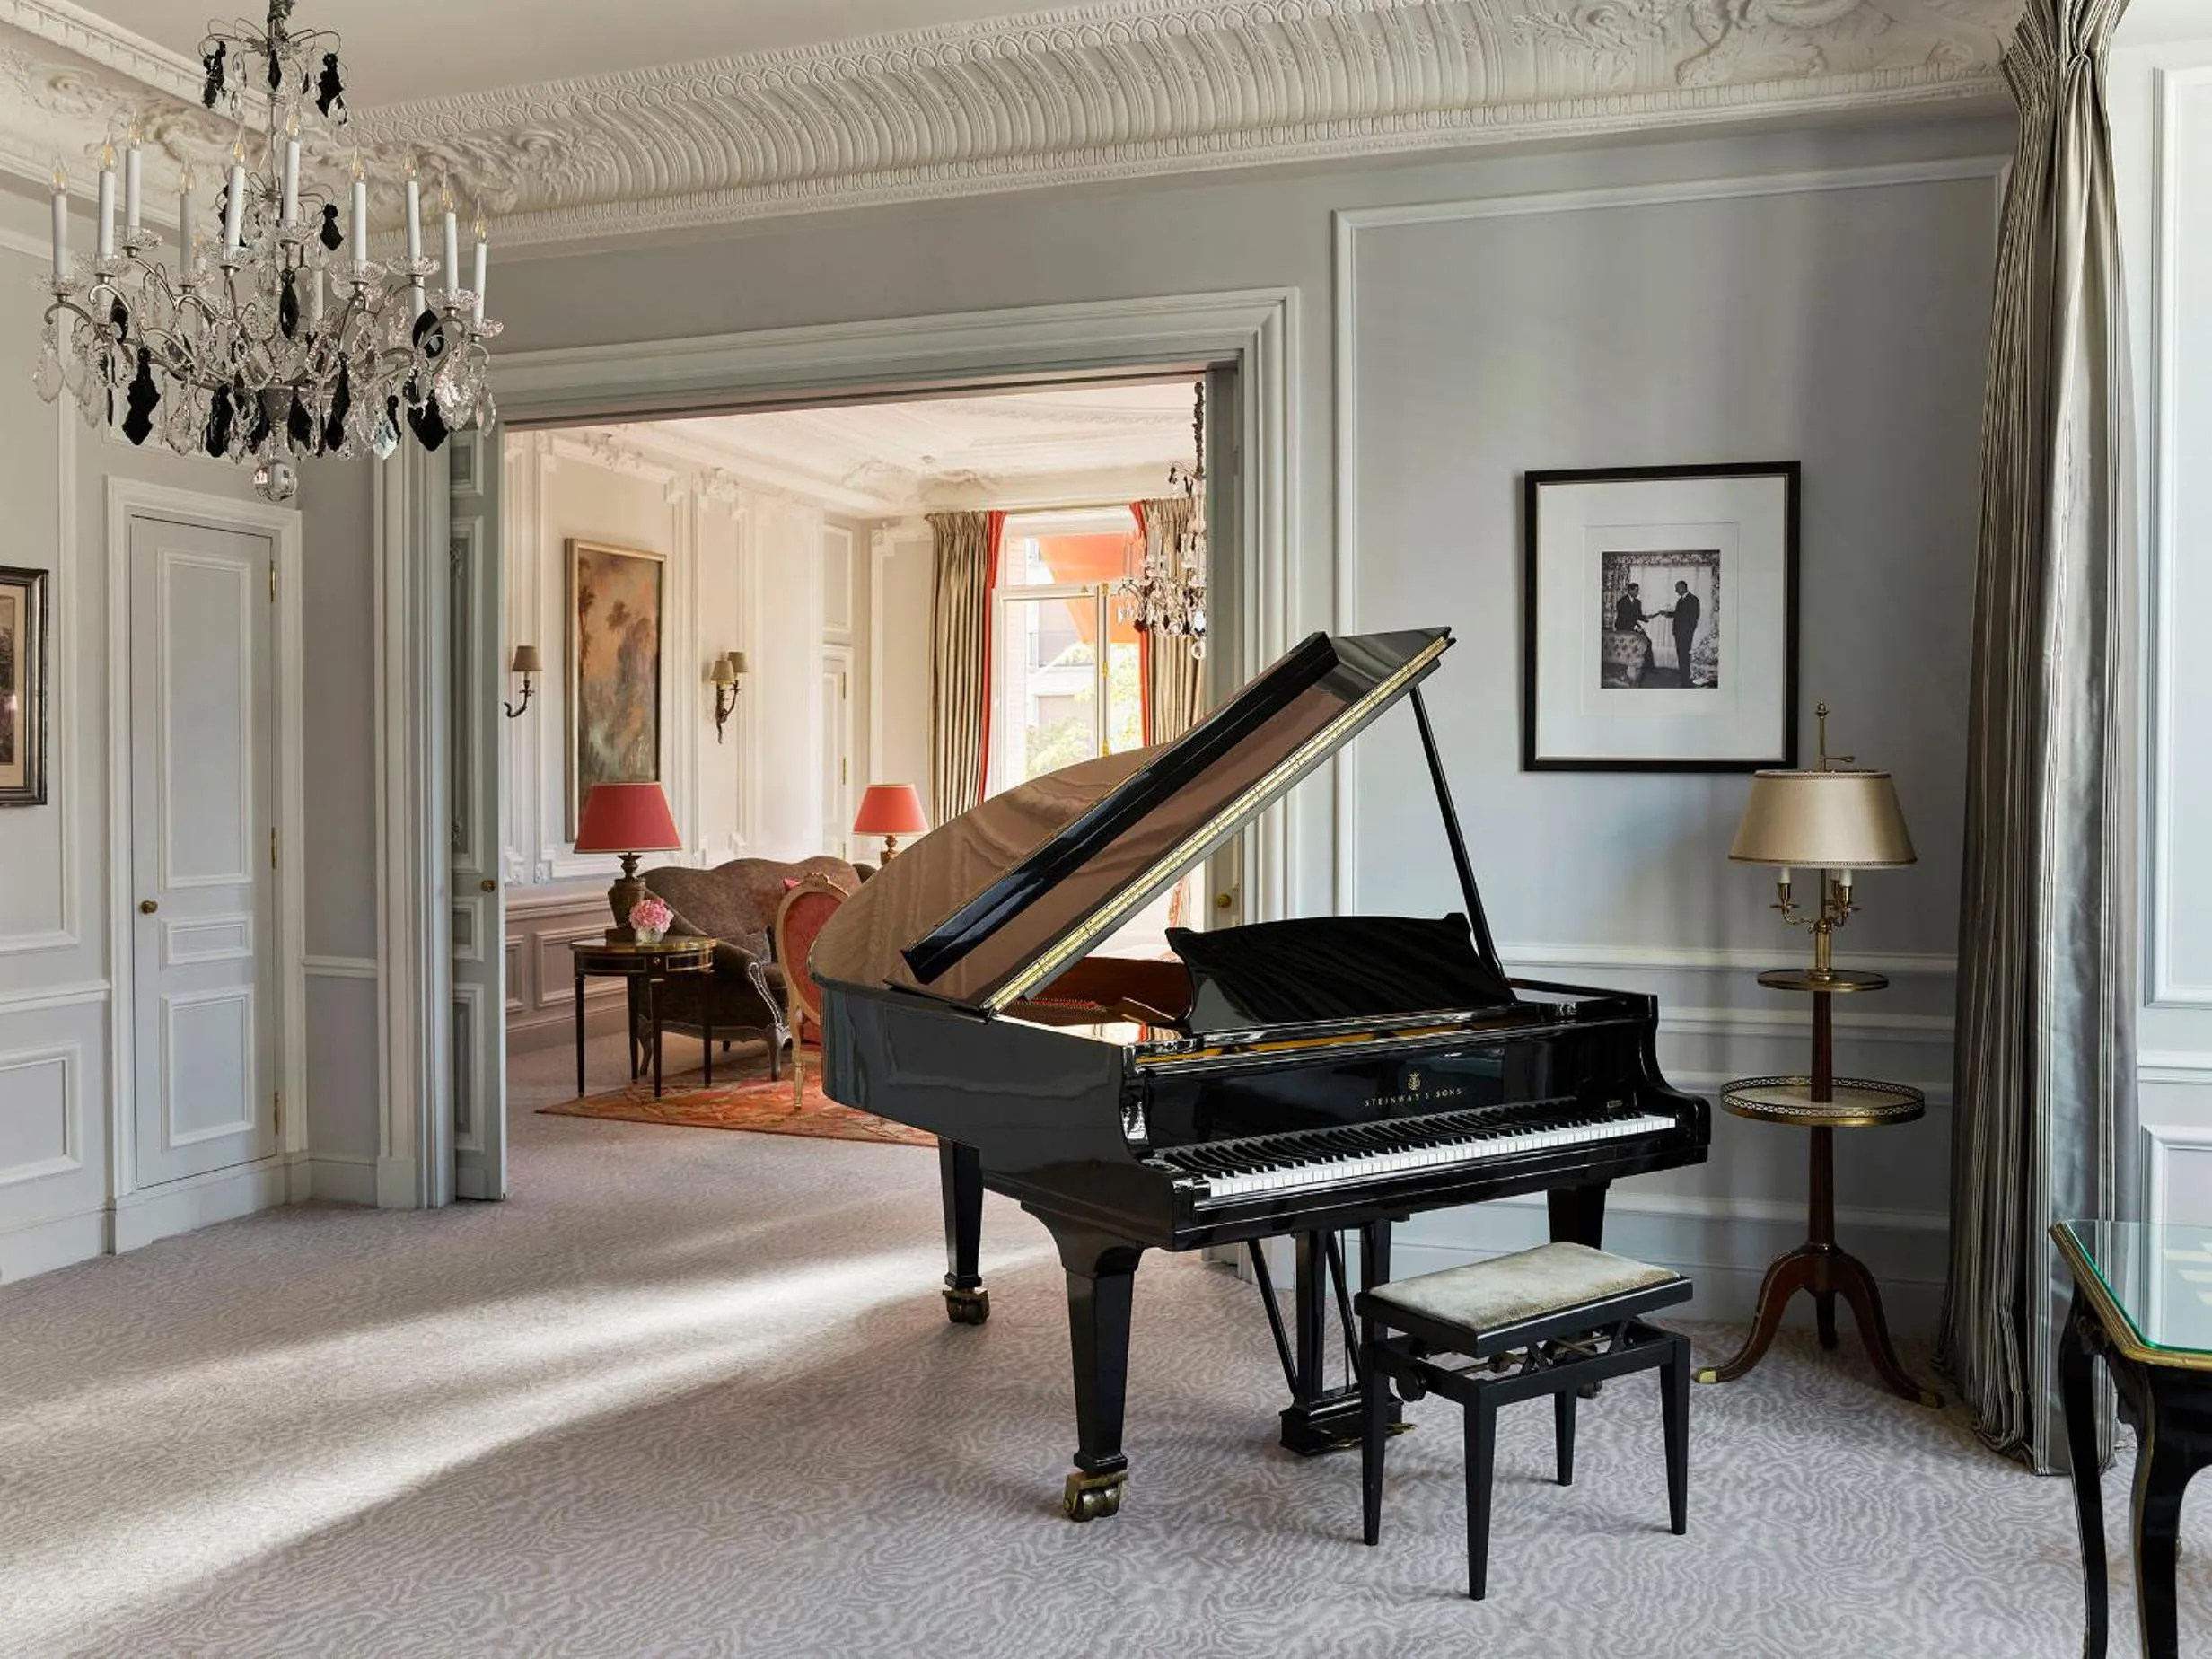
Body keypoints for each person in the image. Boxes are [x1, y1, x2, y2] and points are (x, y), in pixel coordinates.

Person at [1668, 579, 1701, 683]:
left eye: (1677, 588)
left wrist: (1689, 631)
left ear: (1683, 587)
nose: (1676, 590)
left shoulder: (1693, 599)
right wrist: (1667, 614)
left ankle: (1685, 675)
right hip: (1678, 632)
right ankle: (1683, 672)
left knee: (1684, 654)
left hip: (1685, 633)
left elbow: (1694, 617)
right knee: (1680, 653)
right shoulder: (1680, 600)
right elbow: (1678, 614)